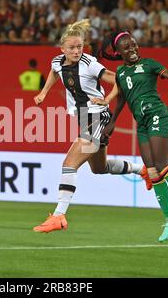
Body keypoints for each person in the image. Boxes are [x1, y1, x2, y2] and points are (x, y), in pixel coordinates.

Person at [32, 19, 151, 234]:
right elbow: (54, 72)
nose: (77, 51)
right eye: (72, 47)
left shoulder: (90, 64)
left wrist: (107, 100)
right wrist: (43, 92)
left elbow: (118, 80)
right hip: (84, 118)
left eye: (79, 46)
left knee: (69, 164)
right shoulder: (58, 61)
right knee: (99, 168)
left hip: (96, 117)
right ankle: (141, 169)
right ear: (62, 49)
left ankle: (59, 215)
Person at [94, 30, 168, 242]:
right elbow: (122, 99)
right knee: (151, 171)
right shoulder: (121, 72)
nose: (132, 49)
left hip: (158, 115)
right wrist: (112, 122)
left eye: (134, 45)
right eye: (127, 47)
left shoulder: (150, 63)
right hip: (141, 123)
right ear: (119, 52)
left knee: (162, 165)